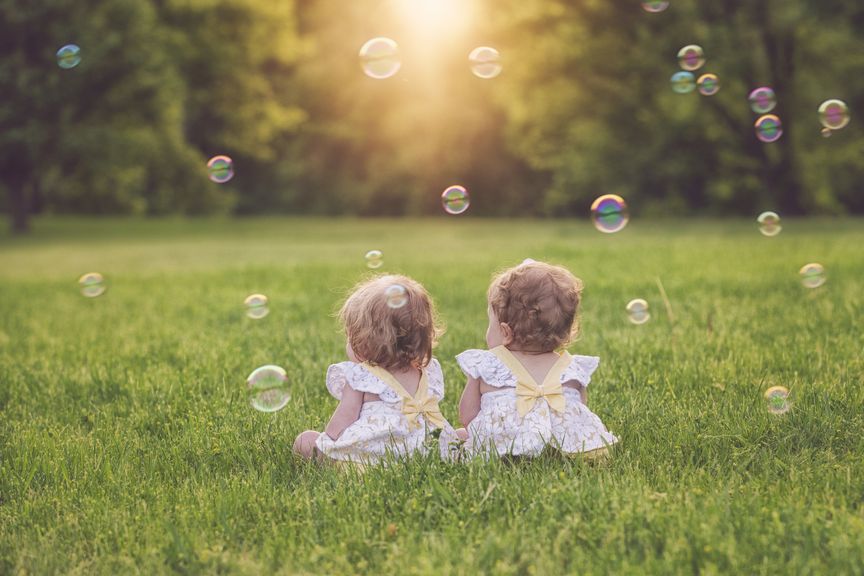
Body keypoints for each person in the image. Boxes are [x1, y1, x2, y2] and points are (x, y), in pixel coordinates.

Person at [443, 260, 617, 460]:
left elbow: (468, 417)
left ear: (506, 332)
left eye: (490, 324)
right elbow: (580, 410)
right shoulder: (572, 368)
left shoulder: (488, 366)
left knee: (459, 435)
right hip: (564, 446)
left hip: (503, 445)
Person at [294, 274, 449, 465]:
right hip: (426, 455)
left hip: (371, 462)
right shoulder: (425, 371)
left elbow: (338, 428)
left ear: (362, 343)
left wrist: (329, 447)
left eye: (349, 334)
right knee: (460, 436)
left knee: (305, 440)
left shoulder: (362, 377)